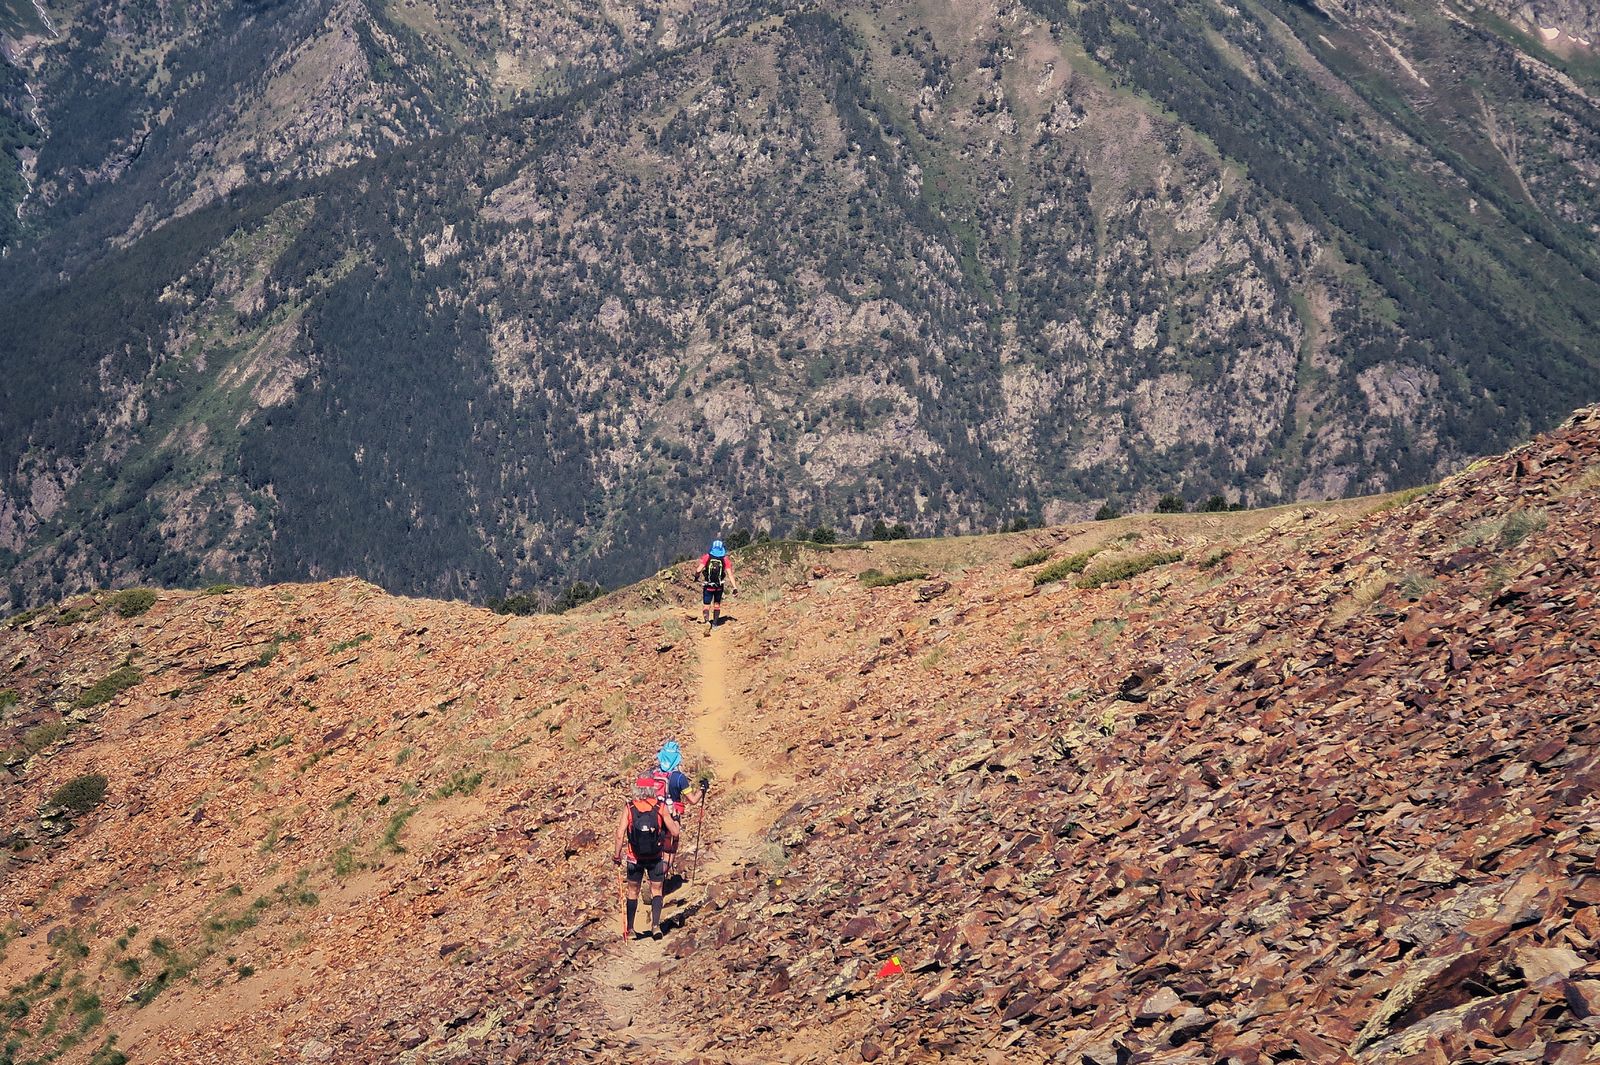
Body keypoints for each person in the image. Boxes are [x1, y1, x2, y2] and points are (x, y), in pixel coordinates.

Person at [614, 777, 680, 940]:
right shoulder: (660, 807)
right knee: (656, 890)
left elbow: (619, 834)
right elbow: (675, 832)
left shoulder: (629, 807)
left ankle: (630, 929)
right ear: (652, 790)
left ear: (636, 789)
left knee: (633, 891)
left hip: (634, 857)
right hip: (655, 856)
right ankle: (656, 926)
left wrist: (617, 856)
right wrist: (676, 820)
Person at [649, 741, 706, 876]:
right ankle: (659, 877)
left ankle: (653, 875)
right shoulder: (679, 778)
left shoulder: (652, 773)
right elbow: (692, 800)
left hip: (653, 814)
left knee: (655, 846)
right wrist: (703, 789)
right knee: (670, 848)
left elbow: (640, 788)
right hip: (672, 815)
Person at [692, 539, 739, 629]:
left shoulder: (707, 557)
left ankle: (707, 622)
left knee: (706, 605)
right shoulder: (725, 559)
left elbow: (698, 570)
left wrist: (696, 577)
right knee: (717, 605)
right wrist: (735, 587)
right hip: (719, 586)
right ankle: (715, 623)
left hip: (708, 586)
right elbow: (730, 574)